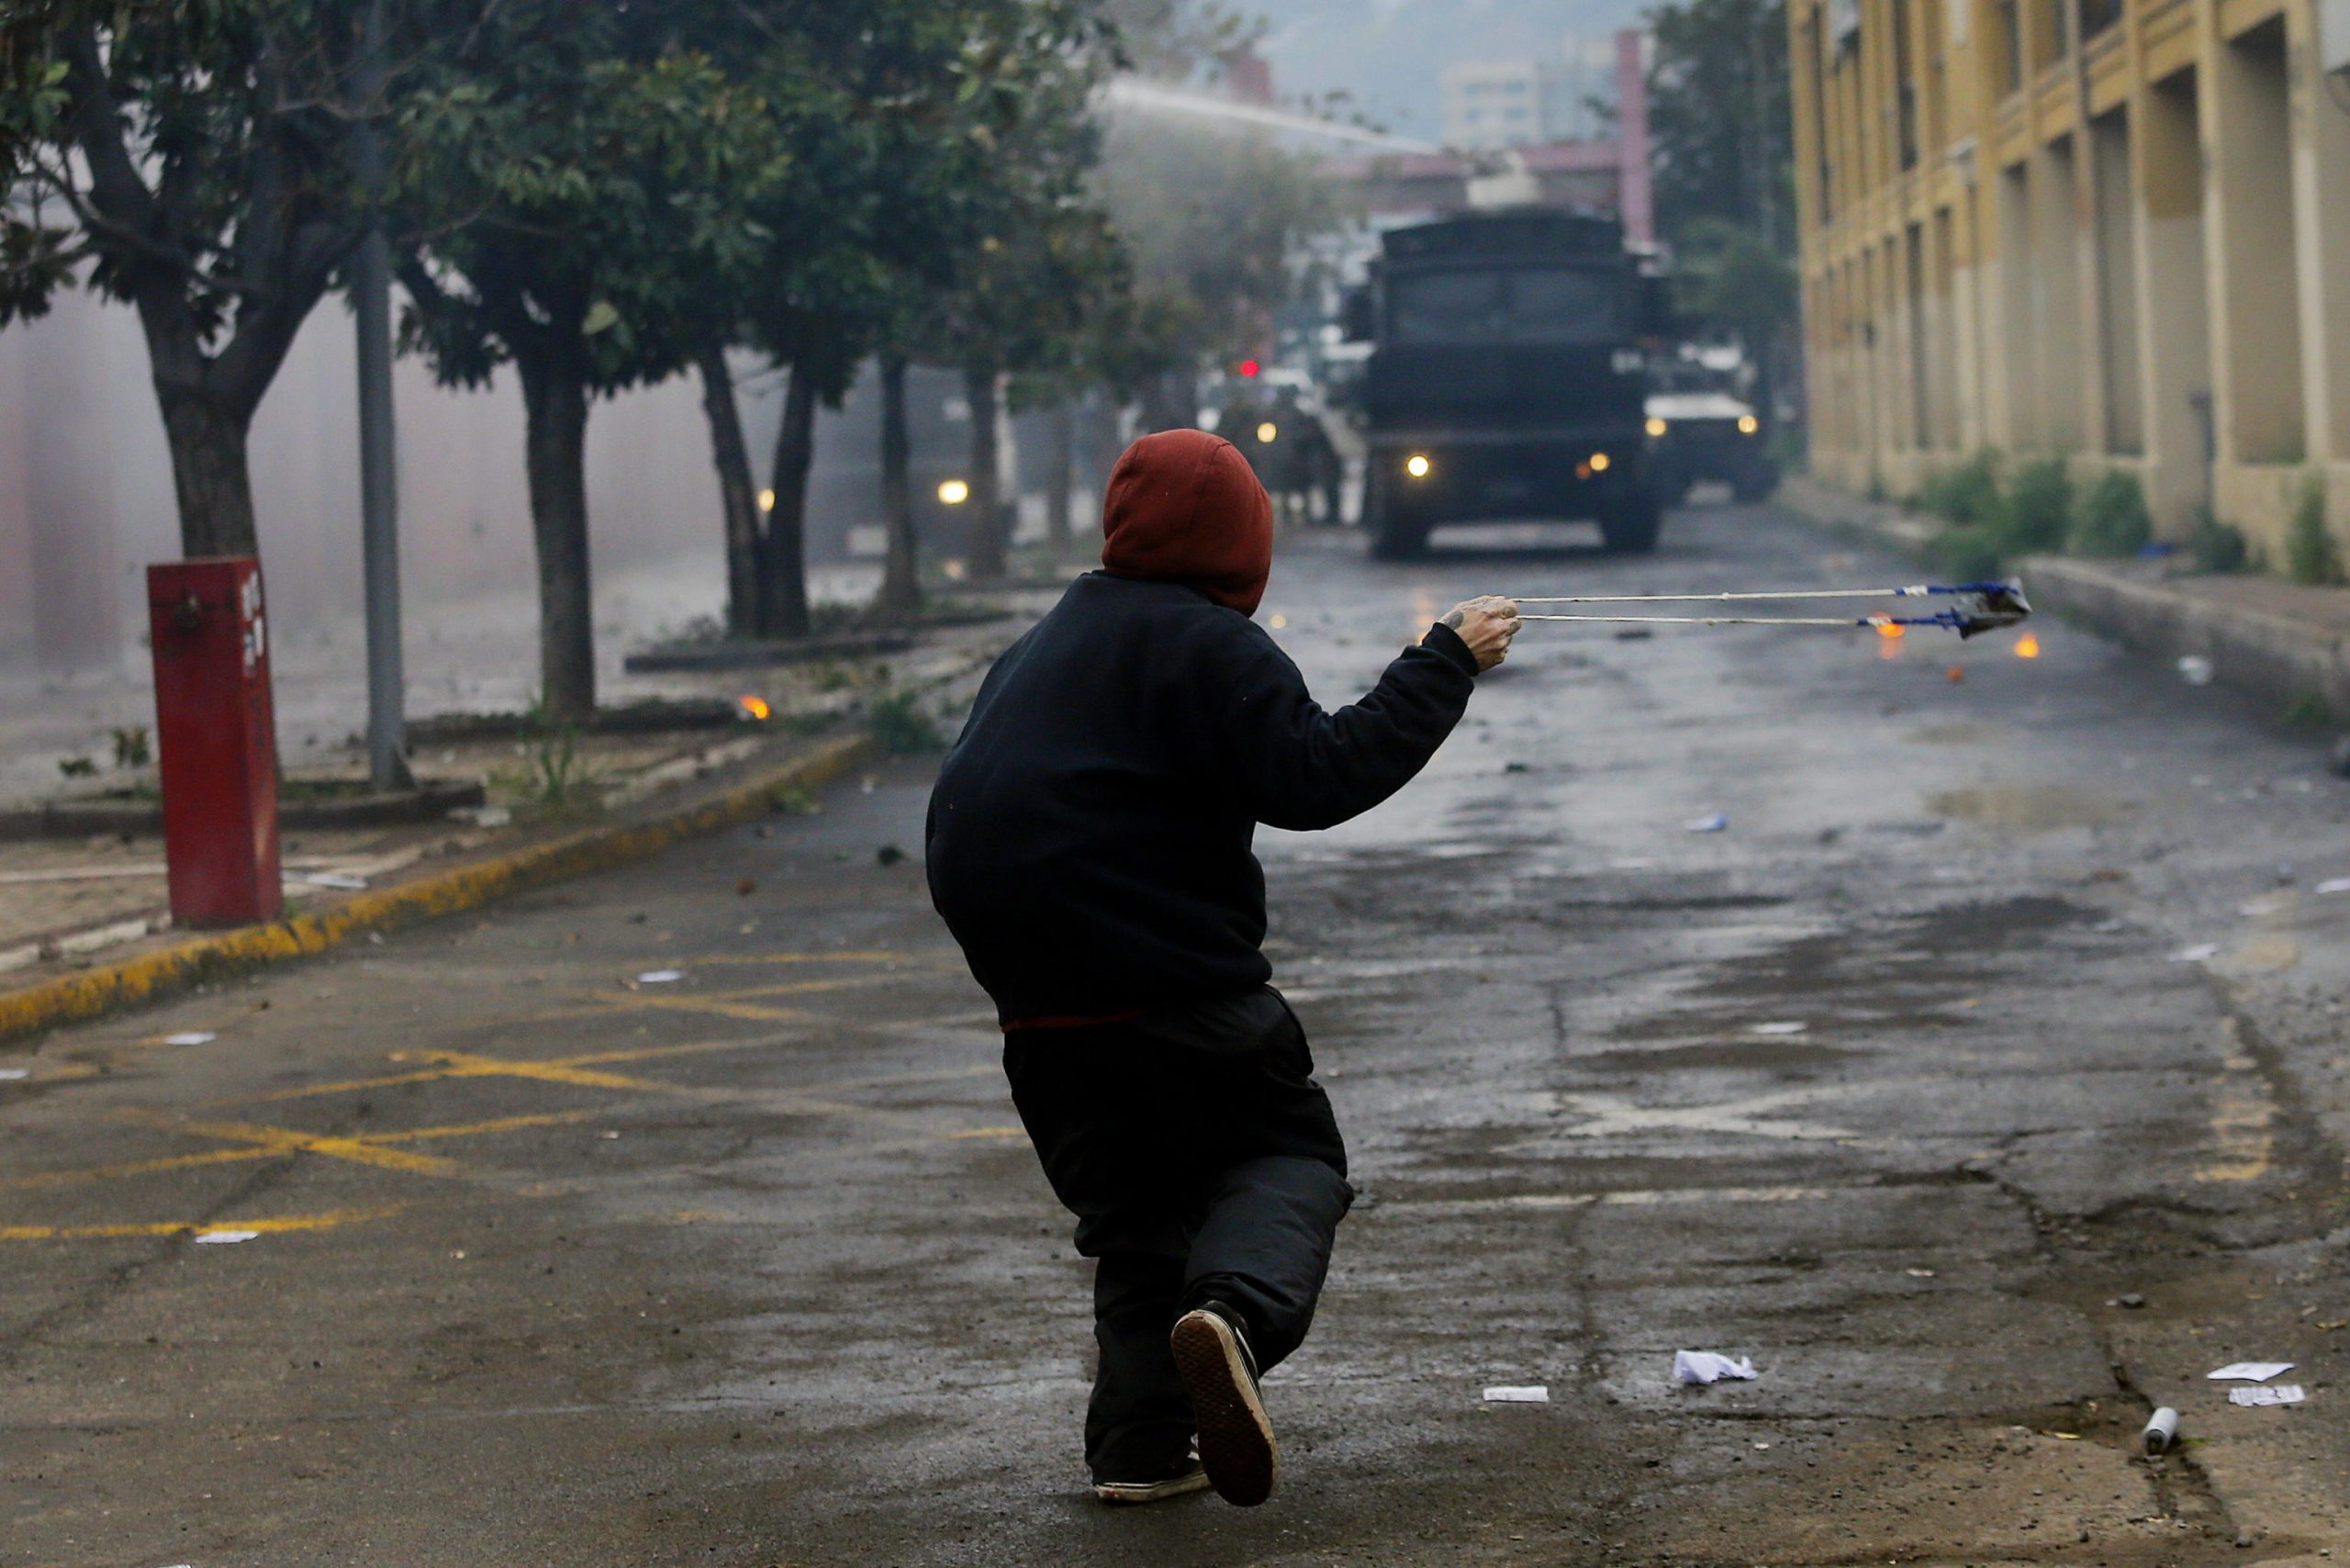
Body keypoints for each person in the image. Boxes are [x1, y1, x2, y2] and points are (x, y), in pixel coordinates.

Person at [924, 428, 1520, 1508]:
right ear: (1243, 539)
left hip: (1039, 1020)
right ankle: (1235, 1319)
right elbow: (1319, 774)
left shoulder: (1035, 651)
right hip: (1179, 993)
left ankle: (1142, 1447)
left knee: (1142, 1219)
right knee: (1286, 1155)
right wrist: (1443, 660)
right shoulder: (1209, 645)